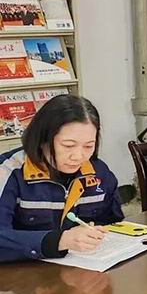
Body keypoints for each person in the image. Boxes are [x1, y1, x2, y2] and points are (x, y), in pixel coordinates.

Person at [0, 95, 123, 263]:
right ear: (42, 139)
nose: (78, 156)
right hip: (22, 274)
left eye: (88, 146)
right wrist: (59, 241)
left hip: (84, 269)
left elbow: (114, 224)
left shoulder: (98, 173)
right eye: (68, 145)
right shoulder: (9, 171)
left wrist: (98, 233)